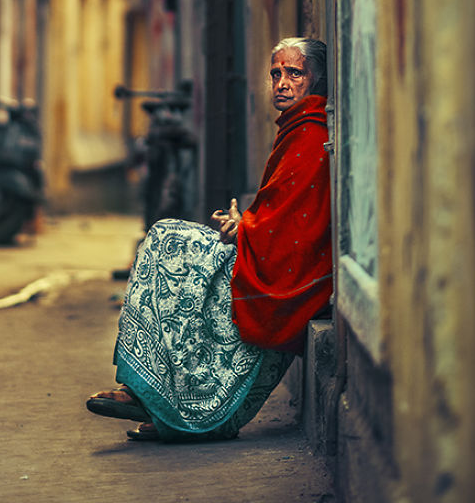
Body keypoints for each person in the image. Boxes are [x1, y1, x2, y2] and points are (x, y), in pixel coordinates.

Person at [86, 37, 332, 442]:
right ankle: (151, 395)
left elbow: (295, 232)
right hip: (266, 257)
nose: (282, 83)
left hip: (286, 279)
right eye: (276, 73)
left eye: (294, 73)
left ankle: (160, 400)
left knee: (167, 241)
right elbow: (282, 215)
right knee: (166, 237)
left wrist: (246, 228)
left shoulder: (310, 135)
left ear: (316, 79)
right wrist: (246, 223)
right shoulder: (297, 129)